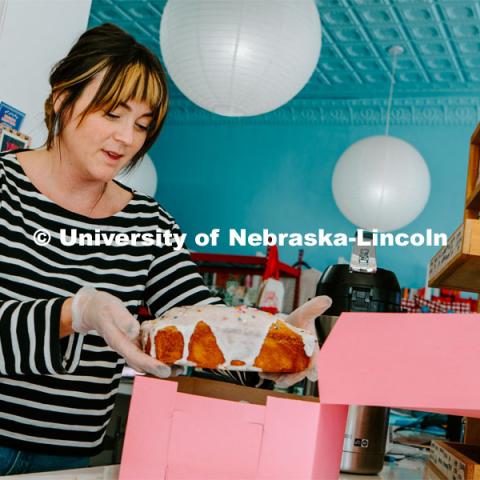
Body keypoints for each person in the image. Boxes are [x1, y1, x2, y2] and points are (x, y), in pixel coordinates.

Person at [0, 23, 329, 476]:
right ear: (62, 100)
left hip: (71, 460)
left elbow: (201, 320)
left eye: (141, 124)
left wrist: (267, 346)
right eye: (112, 114)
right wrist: (75, 313)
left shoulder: (148, 223)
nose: (126, 139)